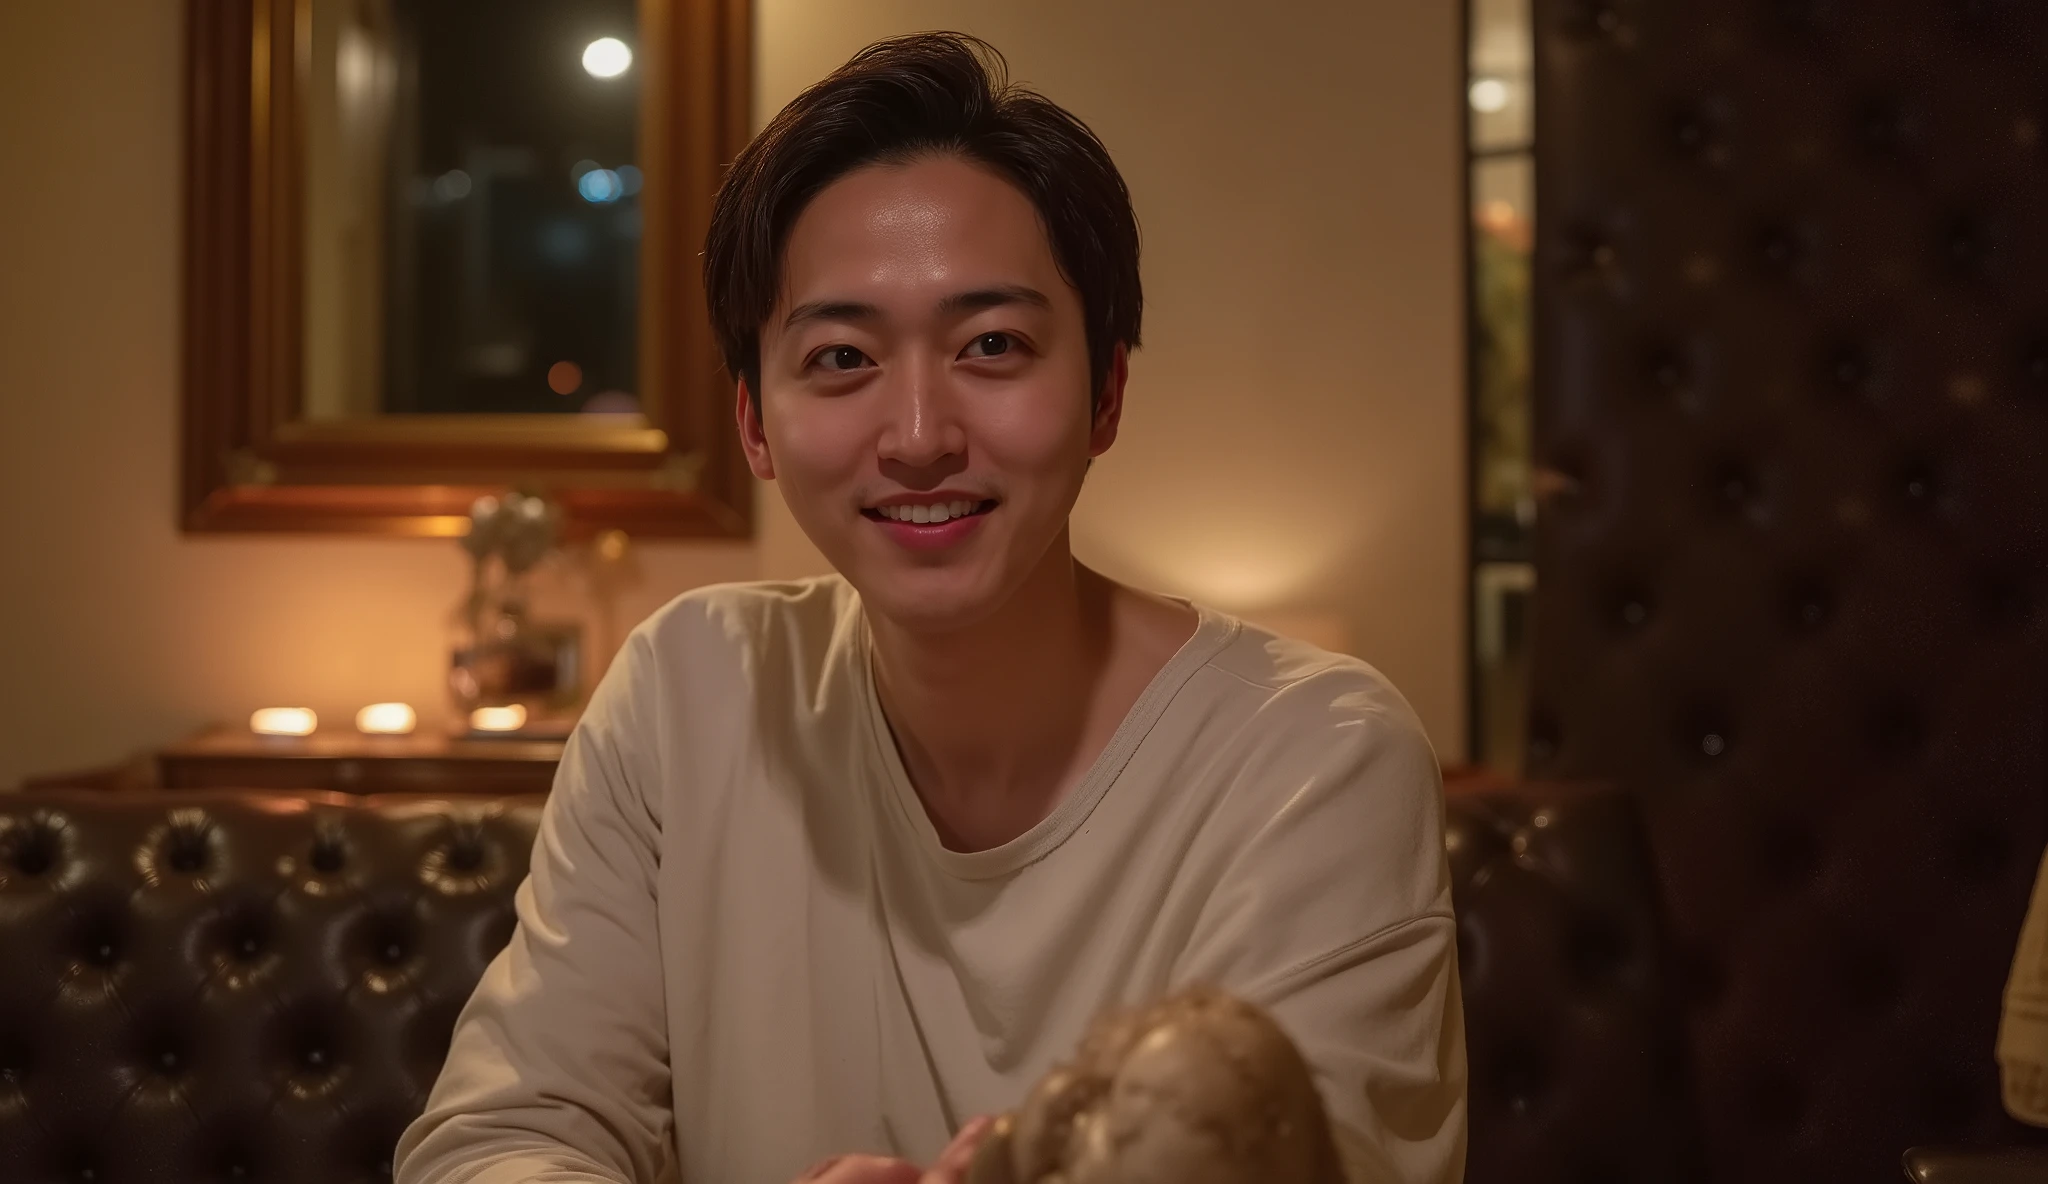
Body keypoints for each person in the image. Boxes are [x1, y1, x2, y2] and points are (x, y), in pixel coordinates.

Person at [395, 31, 1464, 1184]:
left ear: (1105, 391)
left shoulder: (1313, 761)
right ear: (754, 421)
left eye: (992, 344)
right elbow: (500, 1140)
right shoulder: (688, 692)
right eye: (842, 357)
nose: (917, 437)